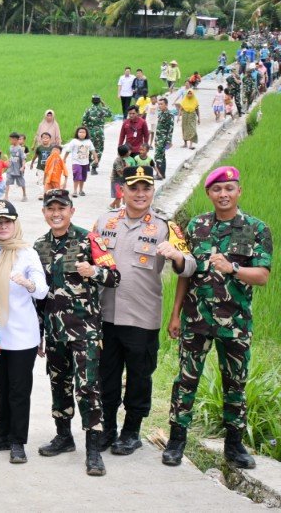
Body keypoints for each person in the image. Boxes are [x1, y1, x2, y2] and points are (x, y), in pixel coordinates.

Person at [163, 166, 272, 469]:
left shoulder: (256, 228)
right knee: (186, 379)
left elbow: (262, 276)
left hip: (234, 323)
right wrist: (175, 314)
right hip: (195, 319)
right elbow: (186, 272)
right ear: (208, 193)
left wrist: (233, 269)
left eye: (229, 188)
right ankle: (176, 440)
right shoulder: (196, 226)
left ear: (239, 191)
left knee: (235, 382)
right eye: (217, 189)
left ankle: (234, 445)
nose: (223, 194)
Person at [93, 167, 195, 456]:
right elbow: (88, 258)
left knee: (139, 378)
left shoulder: (166, 227)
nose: (140, 194)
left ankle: (131, 432)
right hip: (106, 316)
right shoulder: (104, 221)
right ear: (122, 191)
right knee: (106, 377)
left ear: (153, 192)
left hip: (142, 318)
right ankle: (108, 429)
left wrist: (176, 256)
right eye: (134, 188)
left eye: (146, 188)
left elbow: (189, 265)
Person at [33, 189, 120, 476]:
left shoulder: (89, 239)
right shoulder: (39, 246)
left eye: (61, 208)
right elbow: (38, 294)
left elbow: (114, 276)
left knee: (87, 387)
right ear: (44, 213)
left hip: (85, 331)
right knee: (59, 384)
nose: (56, 213)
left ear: (71, 210)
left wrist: (93, 272)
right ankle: (63, 436)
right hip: (55, 331)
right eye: (50, 208)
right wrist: (39, 333)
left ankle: (93, 449)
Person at [0, 201, 48, 464]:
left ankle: (18, 441)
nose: (3, 226)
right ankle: (2, 434)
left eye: (7, 221)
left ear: (15, 223)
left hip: (22, 335)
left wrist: (28, 283)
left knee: (19, 390)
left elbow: (42, 290)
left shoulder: (27, 253)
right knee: (1, 388)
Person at [62, 126, 97, 198]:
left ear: (86, 134)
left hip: (85, 162)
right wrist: (64, 158)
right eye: (80, 132)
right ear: (77, 133)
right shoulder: (74, 141)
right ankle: (75, 191)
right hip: (76, 162)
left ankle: (81, 190)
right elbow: (68, 151)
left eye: (83, 132)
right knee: (77, 175)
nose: (81, 134)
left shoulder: (88, 141)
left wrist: (96, 158)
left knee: (83, 177)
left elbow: (93, 150)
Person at [81, 94, 112, 175]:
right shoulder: (102, 110)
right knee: (98, 150)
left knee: (88, 148)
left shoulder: (88, 110)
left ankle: (87, 164)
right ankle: (94, 167)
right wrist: (103, 104)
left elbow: (84, 121)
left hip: (90, 132)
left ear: (92, 101)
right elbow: (110, 114)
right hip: (99, 132)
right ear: (99, 101)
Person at [5, 132, 27, 202]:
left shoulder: (20, 149)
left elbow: (23, 159)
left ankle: (24, 195)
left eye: (11, 139)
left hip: (18, 169)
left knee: (21, 183)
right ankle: (6, 197)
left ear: (15, 140)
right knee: (7, 182)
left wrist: (23, 167)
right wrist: (7, 162)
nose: (10, 141)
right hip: (11, 169)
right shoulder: (11, 147)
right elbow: (11, 157)